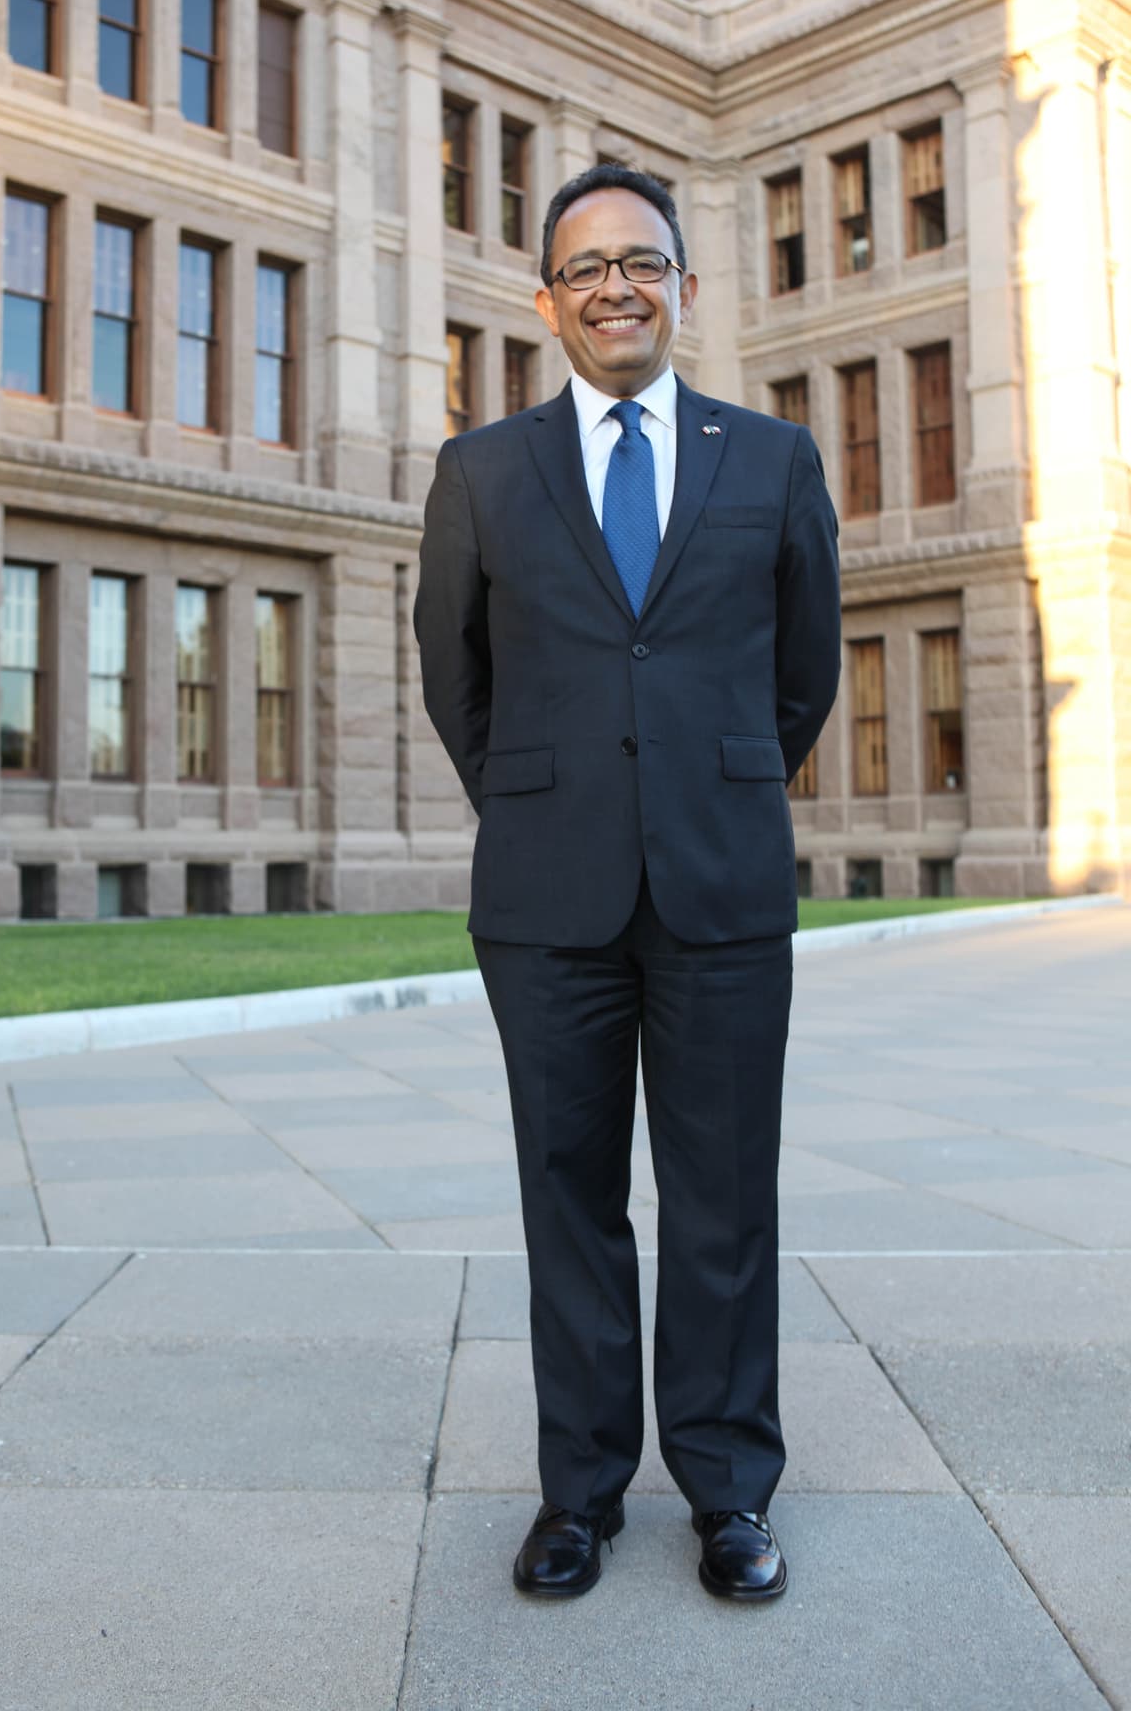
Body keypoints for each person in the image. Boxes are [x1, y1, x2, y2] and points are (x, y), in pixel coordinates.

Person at [414, 163, 840, 1604]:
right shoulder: (482, 471)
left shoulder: (773, 462)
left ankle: (729, 1494)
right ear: (548, 302)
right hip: (549, 899)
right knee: (570, 1196)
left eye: (643, 263)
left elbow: (802, 677)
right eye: (588, 266)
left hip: (723, 890)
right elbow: (454, 677)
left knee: (724, 1198)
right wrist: (554, 808)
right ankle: (578, 1497)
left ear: (683, 290)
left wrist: (701, 795)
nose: (617, 286)